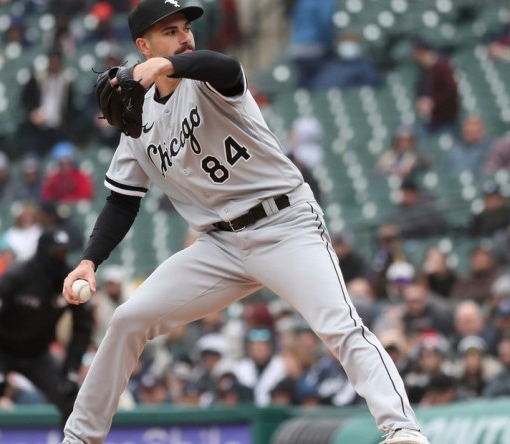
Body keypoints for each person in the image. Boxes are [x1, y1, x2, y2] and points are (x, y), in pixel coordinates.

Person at [60, 1, 428, 443]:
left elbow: (226, 65)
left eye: (185, 28)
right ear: (142, 44)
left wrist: (164, 62)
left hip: (284, 224)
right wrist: (89, 262)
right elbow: (122, 202)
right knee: (128, 319)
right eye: (170, 31)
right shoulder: (137, 123)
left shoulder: (210, 81)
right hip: (219, 248)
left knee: (340, 325)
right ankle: (80, 438)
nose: (184, 36)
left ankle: (403, 430)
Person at [0, 230, 93, 444]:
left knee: (70, 398)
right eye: (54, 253)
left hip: (36, 354)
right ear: (42, 252)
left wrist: (71, 369)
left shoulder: (68, 280)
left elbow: (83, 327)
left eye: (63, 253)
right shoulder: (17, 276)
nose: (59, 257)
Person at [411, 38, 459, 134]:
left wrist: (432, 102)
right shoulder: (423, 70)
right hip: (431, 119)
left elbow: (451, 90)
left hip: (446, 118)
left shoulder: (442, 66)